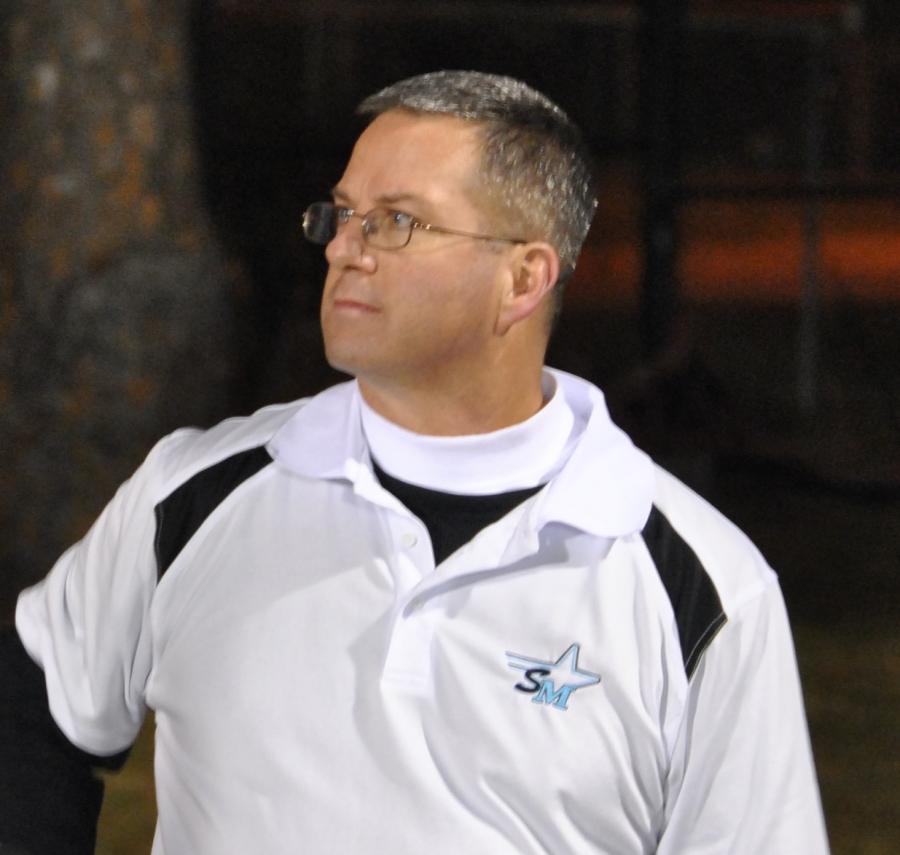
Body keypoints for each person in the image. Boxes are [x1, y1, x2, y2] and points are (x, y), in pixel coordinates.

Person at [2, 70, 828, 854]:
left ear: (523, 278)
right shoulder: (195, 496)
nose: (343, 250)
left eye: (396, 222)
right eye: (342, 214)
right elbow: (34, 699)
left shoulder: (699, 586)